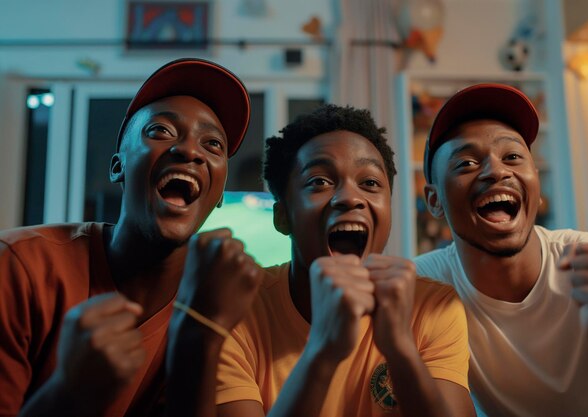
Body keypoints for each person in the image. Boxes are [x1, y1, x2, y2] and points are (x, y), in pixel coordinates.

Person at [0, 58, 262, 417]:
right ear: (117, 166)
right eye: (161, 131)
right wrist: (69, 391)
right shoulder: (18, 266)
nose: (189, 151)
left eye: (213, 145)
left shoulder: (224, 312)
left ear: (218, 196)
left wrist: (199, 338)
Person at [215, 104, 476, 417]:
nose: (349, 198)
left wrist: (401, 350)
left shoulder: (434, 306)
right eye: (319, 182)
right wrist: (323, 351)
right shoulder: (235, 310)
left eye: (369, 183)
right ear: (283, 216)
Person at [415, 83, 588, 416]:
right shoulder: (421, 288)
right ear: (435, 200)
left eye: (512, 156)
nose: (497, 171)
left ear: (536, 184)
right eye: (466, 163)